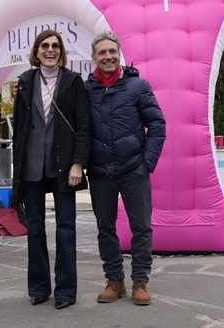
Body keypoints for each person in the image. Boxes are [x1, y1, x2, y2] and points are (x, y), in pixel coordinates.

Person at [11, 29, 91, 310]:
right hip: (31, 166)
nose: (50, 50)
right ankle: (39, 287)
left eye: (55, 46)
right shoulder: (24, 82)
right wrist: (16, 172)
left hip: (63, 166)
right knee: (35, 228)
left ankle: (66, 291)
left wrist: (78, 163)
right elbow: (19, 131)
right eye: (44, 45)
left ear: (61, 51)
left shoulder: (73, 82)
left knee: (65, 228)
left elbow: (83, 127)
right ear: (36, 50)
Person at [85, 31, 166, 306]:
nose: (107, 56)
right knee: (104, 226)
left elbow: (157, 125)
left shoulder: (138, 86)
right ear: (93, 58)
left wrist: (147, 163)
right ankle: (114, 281)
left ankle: (140, 281)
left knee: (141, 226)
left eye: (111, 51)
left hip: (134, 168)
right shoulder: (85, 91)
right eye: (101, 53)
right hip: (99, 172)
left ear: (118, 54)